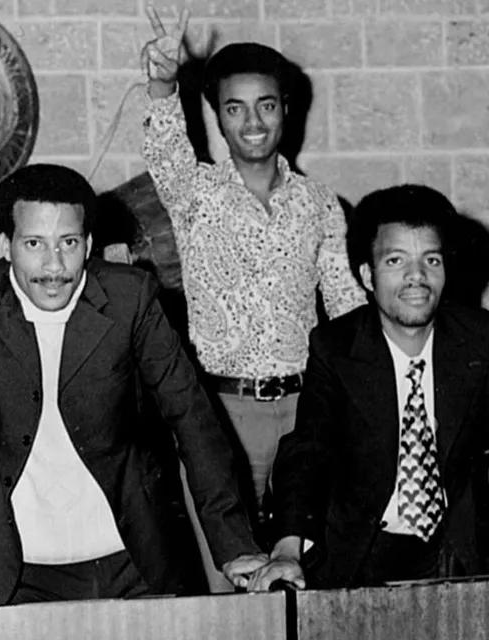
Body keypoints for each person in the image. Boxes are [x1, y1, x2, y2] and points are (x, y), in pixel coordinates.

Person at [0, 164, 267, 608]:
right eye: (34, 244)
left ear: (88, 244)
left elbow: (192, 417)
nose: (54, 266)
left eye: (68, 243)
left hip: (134, 561)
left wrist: (236, 546)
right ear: (6, 245)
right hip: (16, 571)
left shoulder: (131, 296)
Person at [250, 185, 489, 590]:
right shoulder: (337, 348)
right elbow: (305, 454)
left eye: (430, 260)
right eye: (396, 260)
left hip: (446, 557)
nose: (416, 276)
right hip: (357, 554)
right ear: (367, 275)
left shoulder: (476, 339)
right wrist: (286, 550)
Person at [140, 6, 366, 530]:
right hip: (220, 412)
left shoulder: (320, 202)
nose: (253, 122)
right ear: (217, 116)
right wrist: (162, 82)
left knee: (303, 562)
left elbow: (347, 308)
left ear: (286, 110)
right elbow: (167, 150)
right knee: (228, 575)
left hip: (305, 411)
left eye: (265, 105)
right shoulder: (194, 192)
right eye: (235, 109)